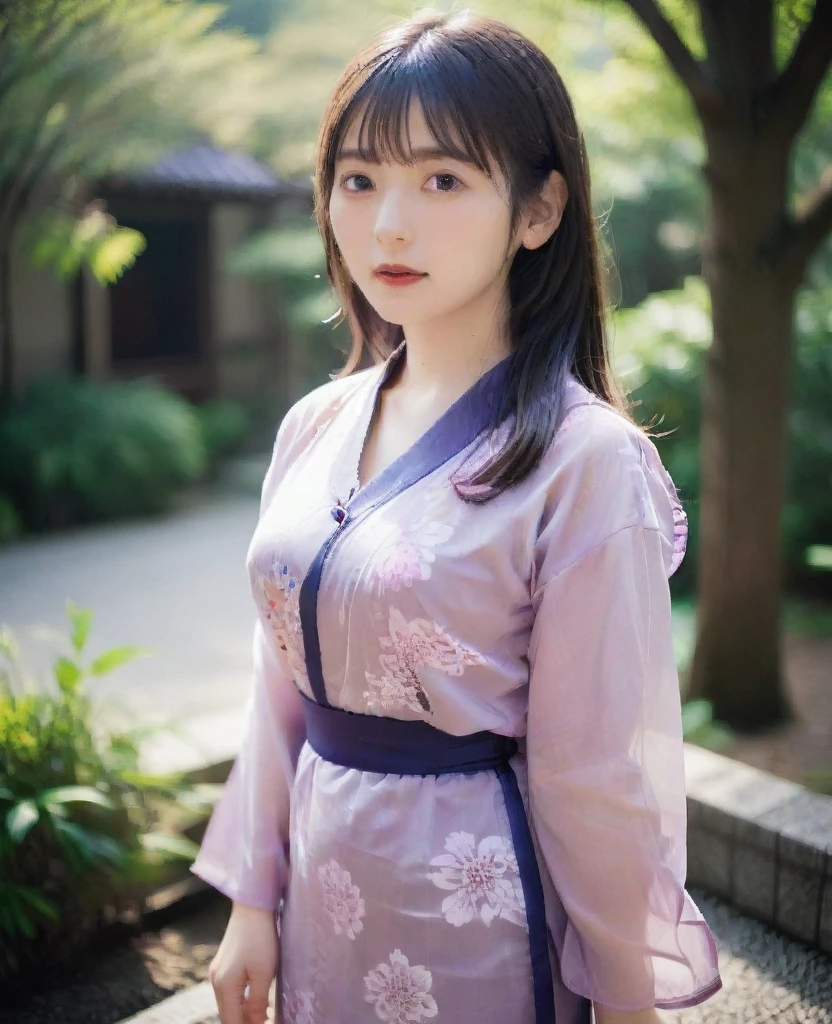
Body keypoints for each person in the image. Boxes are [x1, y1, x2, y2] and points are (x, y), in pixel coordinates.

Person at [191, 9, 723, 1024]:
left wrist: (624, 997)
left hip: (475, 914)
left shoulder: (584, 461)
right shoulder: (316, 423)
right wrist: (251, 898)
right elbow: (277, 686)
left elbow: (595, 769)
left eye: (442, 180)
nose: (388, 223)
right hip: (322, 884)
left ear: (537, 208)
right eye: (359, 179)